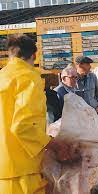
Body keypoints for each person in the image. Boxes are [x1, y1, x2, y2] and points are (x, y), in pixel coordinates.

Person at [0, 35, 51, 194]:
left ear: (10, 54)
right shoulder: (28, 78)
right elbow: (22, 126)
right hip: (23, 172)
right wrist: (52, 144)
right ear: (34, 56)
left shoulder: (2, 76)